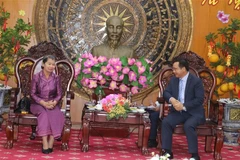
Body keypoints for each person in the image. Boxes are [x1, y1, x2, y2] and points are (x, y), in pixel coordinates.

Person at [161, 58, 205, 160]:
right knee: (166, 122)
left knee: (188, 125)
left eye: (175, 69)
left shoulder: (196, 81)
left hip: (194, 112)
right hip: (178, 112)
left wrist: (184, 106)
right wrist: (172, 100)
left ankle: (194, 154)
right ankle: (167, 152)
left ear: (183, 69)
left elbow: (199, 100)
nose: (173, 71)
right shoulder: (173, 80)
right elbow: (166, 93)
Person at [30, 55, 64, 154]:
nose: (51, 66)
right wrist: (43, 102)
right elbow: (32, 94)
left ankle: (51, 142)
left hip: (51, 103)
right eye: (49, 64)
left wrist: (54, 102)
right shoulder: (36, 77)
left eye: (53, 64)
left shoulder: (56, 78)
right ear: (43, 64)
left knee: (58, 114)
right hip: (37, 103)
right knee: (44, 115)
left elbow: (59, 94)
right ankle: (44, 142)